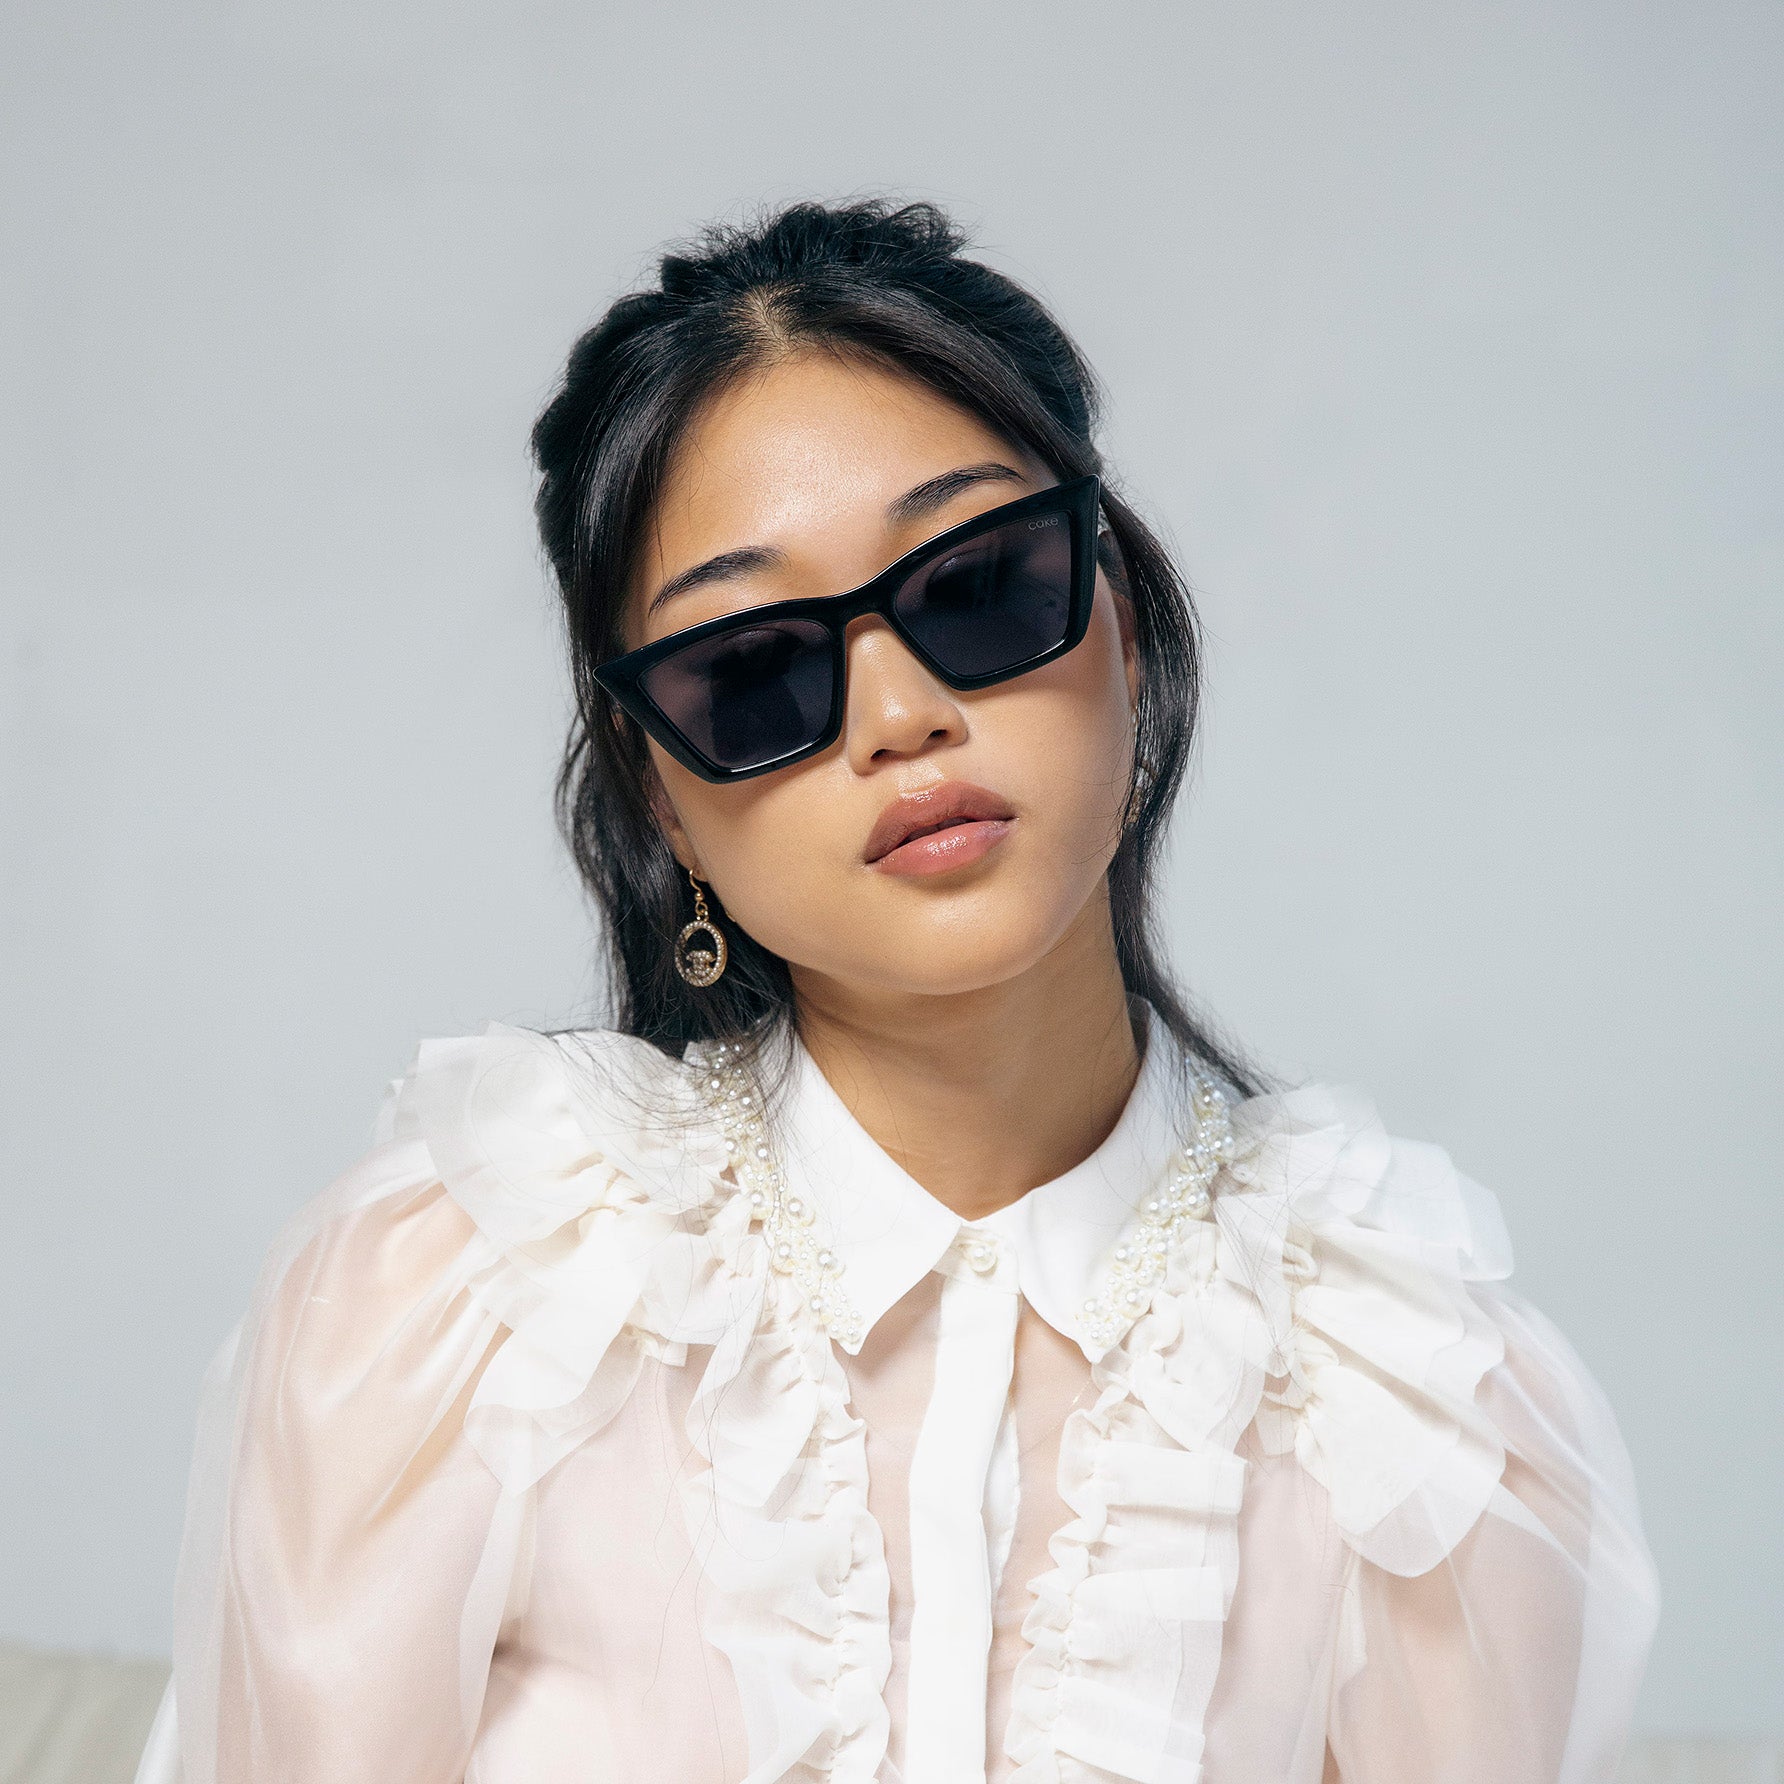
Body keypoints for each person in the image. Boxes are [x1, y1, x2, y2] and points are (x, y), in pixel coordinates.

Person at [135, 199, 1660, 1784]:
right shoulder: (459, 1310)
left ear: (1121, 625)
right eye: (753, 669)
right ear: (661, 801)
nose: (898, 713)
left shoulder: (1406, 1397)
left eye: (979, 583)